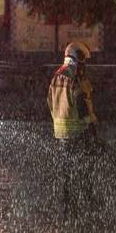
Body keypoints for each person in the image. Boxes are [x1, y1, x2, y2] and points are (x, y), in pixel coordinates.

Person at [47, 42, 99, 202]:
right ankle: (88, 197)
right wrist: (91, 127)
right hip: (78, 129)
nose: (85, 66)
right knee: (86, 164)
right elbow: (81, 104)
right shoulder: (75, 77)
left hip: (61, 132)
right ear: (77, 60)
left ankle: (66, 199)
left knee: (66, 168)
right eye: (83, 62)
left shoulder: (57, 75)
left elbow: (49, 101)